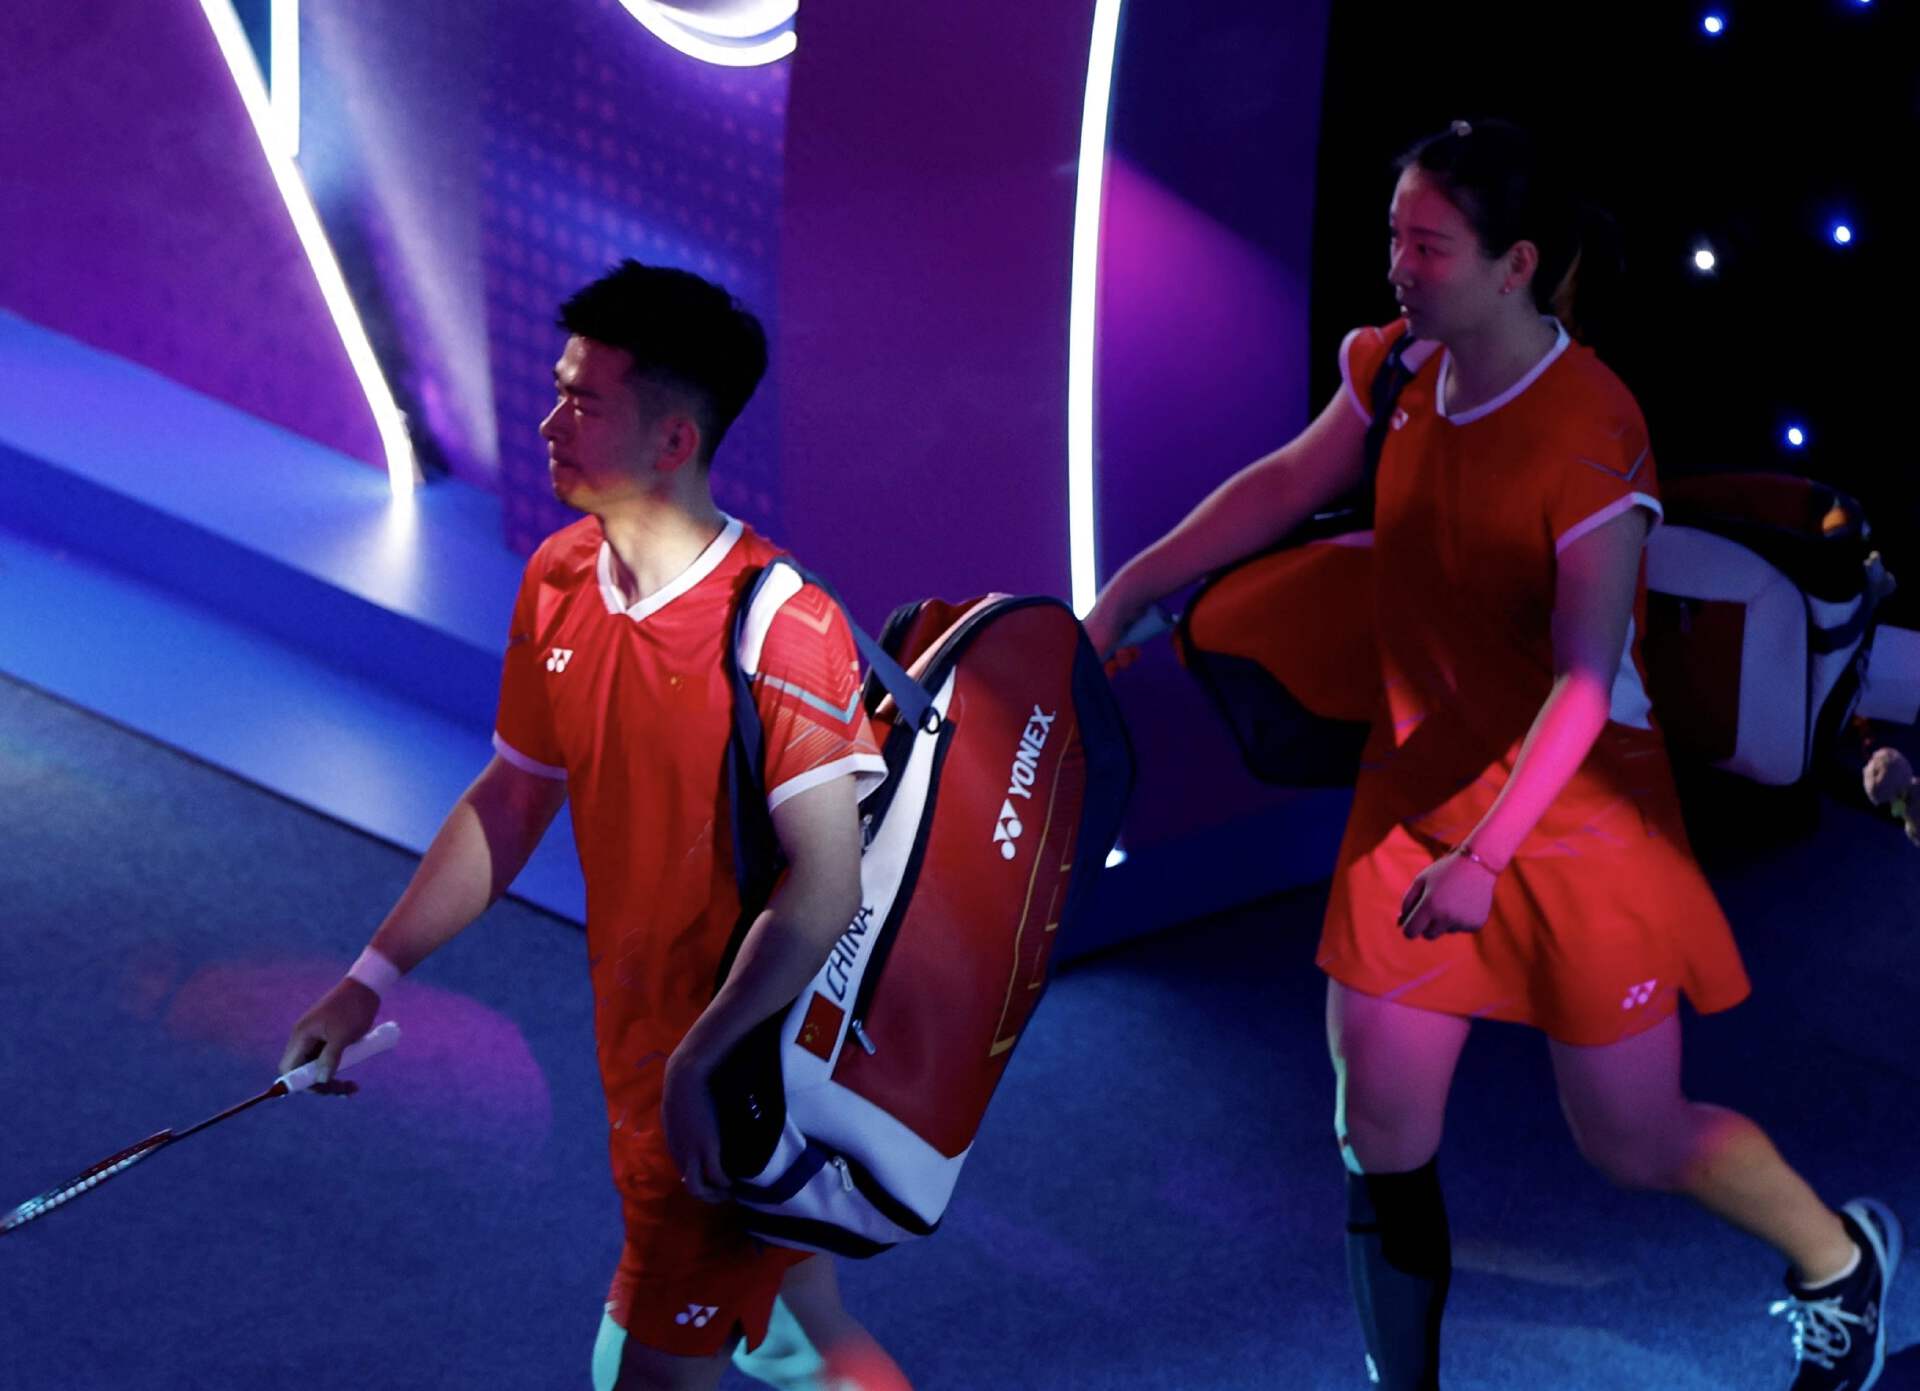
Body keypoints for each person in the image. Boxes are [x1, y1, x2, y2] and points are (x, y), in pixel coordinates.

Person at [1083, 119, 1901, 1390]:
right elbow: (1288, 482)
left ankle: (1837, 1260)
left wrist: (1485, 855)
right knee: (1378, 1123)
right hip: (1415, 798)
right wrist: (1134, 585)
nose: (1398, 266)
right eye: (1392, 236)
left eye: (1429, 245)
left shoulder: (1588, 428)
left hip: (1574, 815)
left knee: (1632, 1137)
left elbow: (1582, 679)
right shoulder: (1399, 366)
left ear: (1515, 264)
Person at [280, 261, 912, 1391]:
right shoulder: (561, 575)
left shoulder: (782, 627)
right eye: (558, 389)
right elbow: (514, 795)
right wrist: (369, 977)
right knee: (798, 1332)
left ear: (674, 440)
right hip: (643, 1045)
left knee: (655, 1367)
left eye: (585, 401)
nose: (549, 422)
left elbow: (826, 886)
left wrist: (701, 1059)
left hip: (734, 1065)